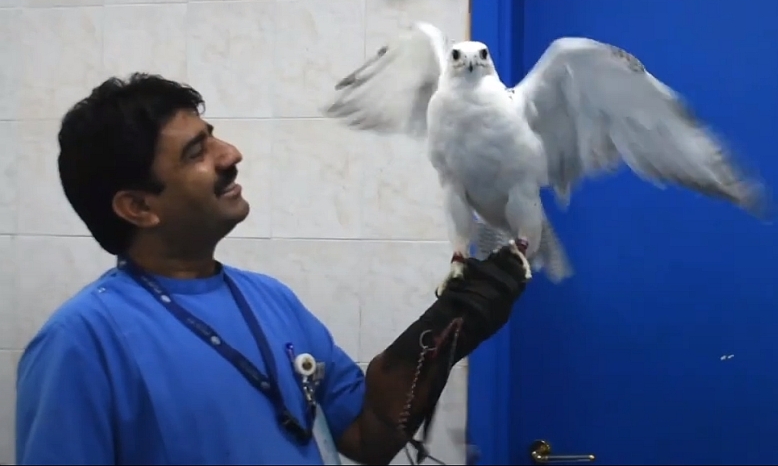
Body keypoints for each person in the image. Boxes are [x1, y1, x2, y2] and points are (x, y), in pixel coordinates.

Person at [15, 72, 531, 465]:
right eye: (197, 152)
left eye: (212, 135)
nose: (230, 154)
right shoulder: (80, 343)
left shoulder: (269, 298)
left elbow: (369, 432)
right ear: (138, 207)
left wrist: (445, 330)